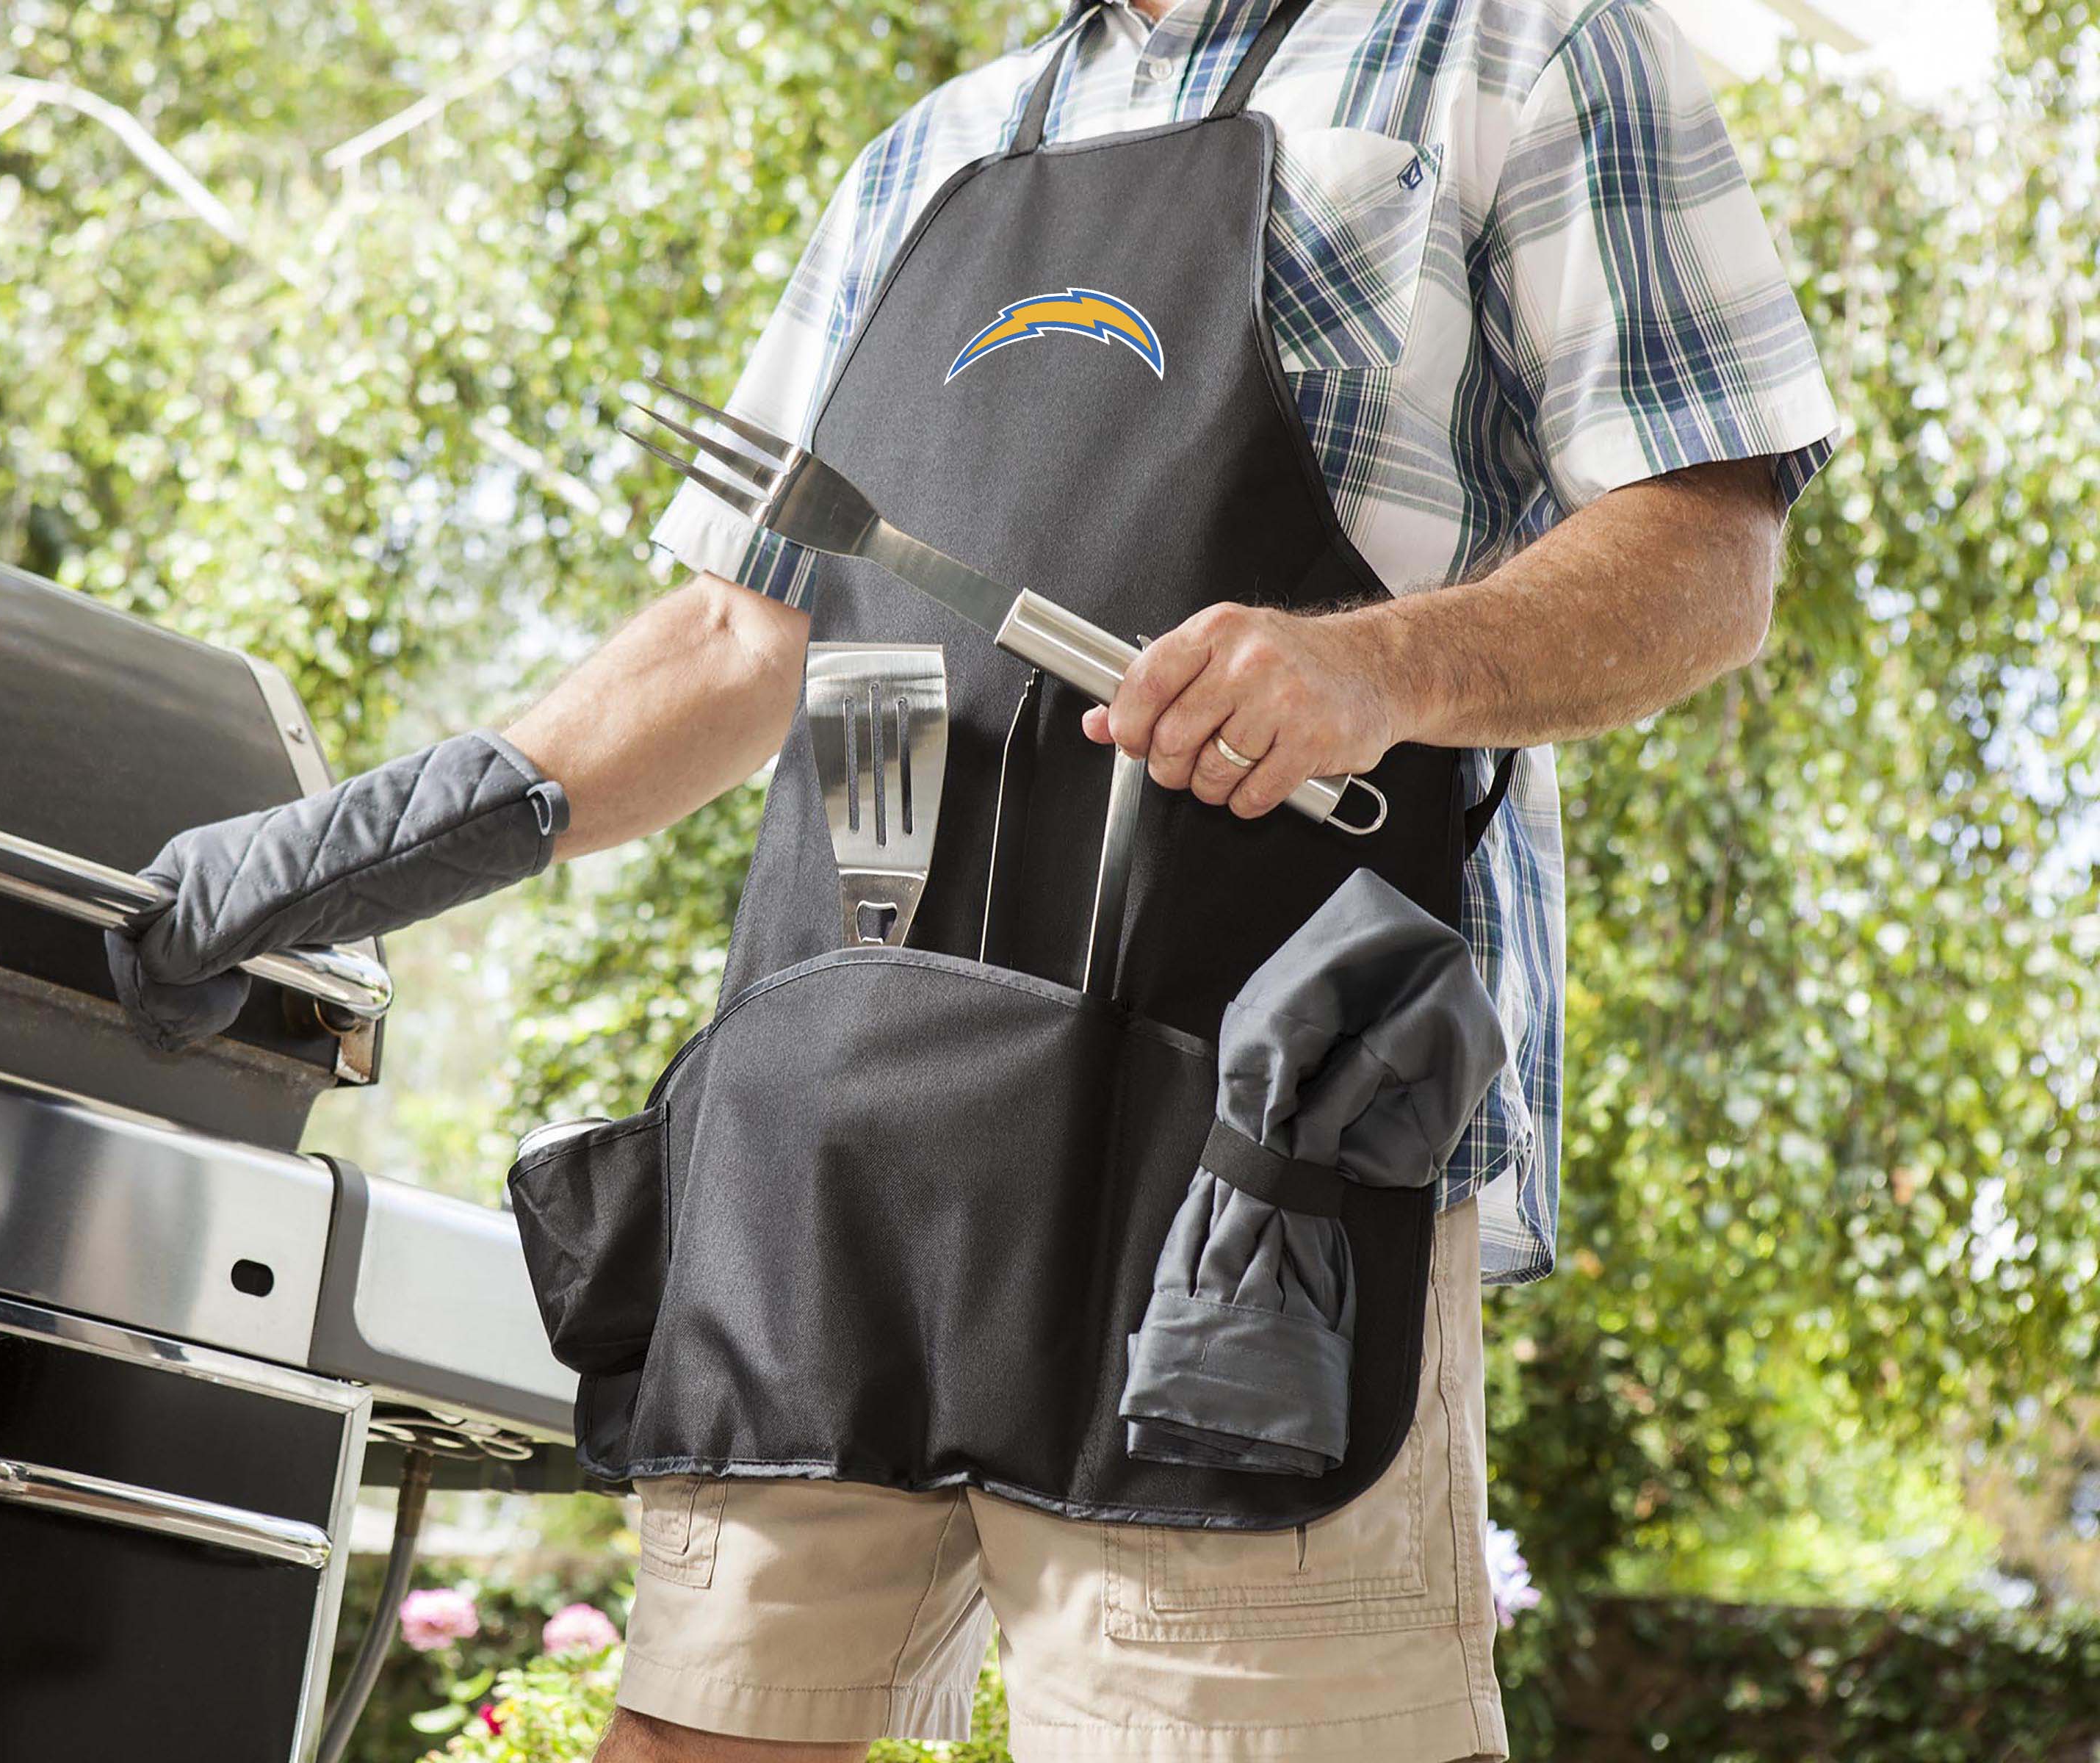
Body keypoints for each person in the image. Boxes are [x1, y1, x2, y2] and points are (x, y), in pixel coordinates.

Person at [108, 2, 1839, 1758]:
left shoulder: (1519, 55)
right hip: (829, 1157)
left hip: (1239, 1168)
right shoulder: (938, 150)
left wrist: (1377, 672)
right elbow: (737, 633)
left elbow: (1707, 550)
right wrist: (348, 852)